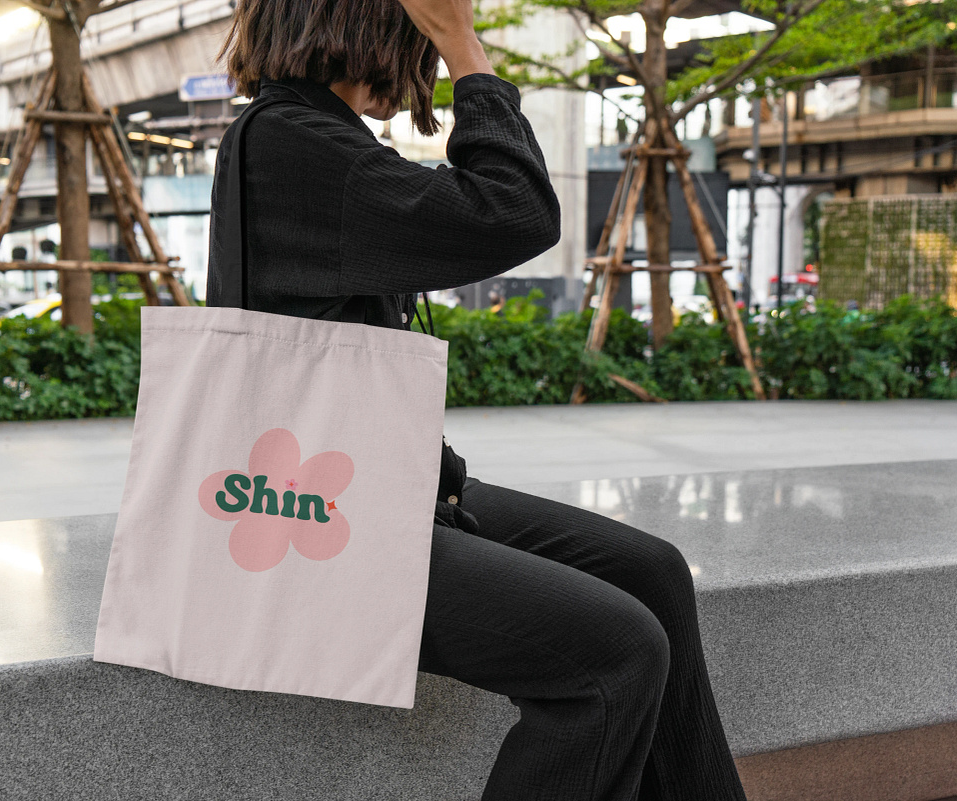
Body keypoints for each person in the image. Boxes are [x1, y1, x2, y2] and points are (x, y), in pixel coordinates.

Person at [206, 1, 748, 799]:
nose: (421, 60)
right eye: (419, 34)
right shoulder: (291, 144)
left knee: (655, 574)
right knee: (619, 655)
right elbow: (515, 209)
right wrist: (465, 46)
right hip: (318, 527)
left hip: (369, 492)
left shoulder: (308, 137)